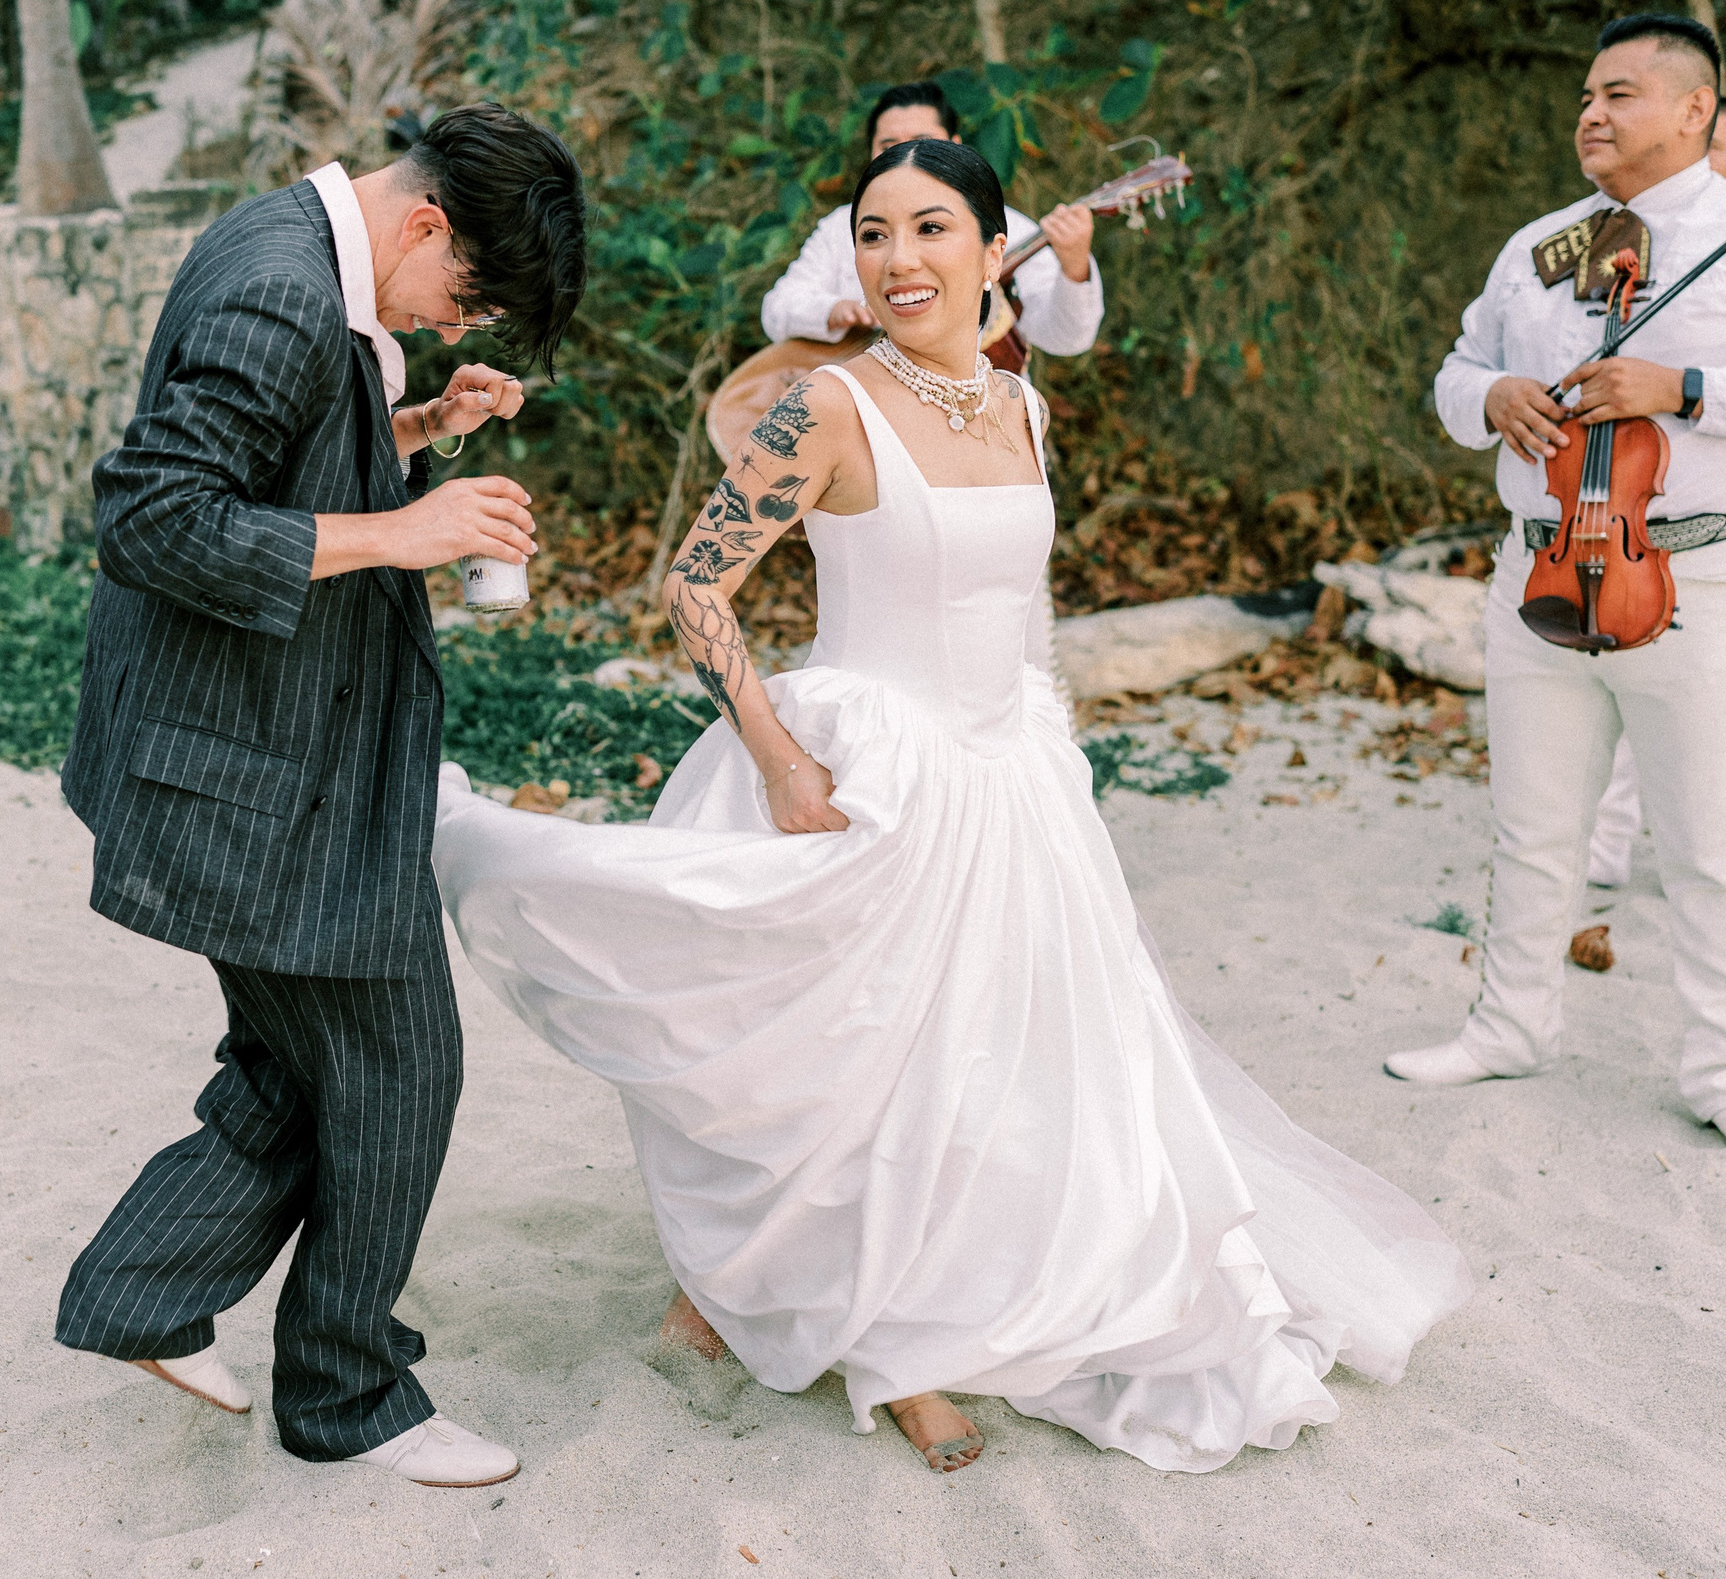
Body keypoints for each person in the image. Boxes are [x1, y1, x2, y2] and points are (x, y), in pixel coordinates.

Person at [433, 137, 1473, 1475]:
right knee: (869, 1062)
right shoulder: (825, 405)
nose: (899, 257)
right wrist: (776, 753)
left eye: (933, 229)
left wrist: (1044, 741)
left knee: (1006, 1065)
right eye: (874, 233)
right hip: (870, 766)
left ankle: (905, 1302)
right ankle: (892, 1337)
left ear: (997, 252)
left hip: (1016, 770)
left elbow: (1013, 606)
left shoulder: (1021, 407)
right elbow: (698, 585)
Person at [54, 103, 585, 1488]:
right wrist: (409, 529)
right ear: (424, 224)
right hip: (251, 768)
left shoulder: (307, 258)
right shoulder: (286, 291)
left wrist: (413, 429)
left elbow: (270, 462)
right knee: (400, 1063)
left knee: (306, 1063)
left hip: (264, 756)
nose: (455, 319)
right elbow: (152, 517)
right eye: (463, 294)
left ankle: (141, 1293)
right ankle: (348, 1392)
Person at [1389, 13, 1726, 1125]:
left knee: (1705, 845)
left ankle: (1716, 1073)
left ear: (1694, 109)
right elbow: (1455, 371)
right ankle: (1509, 1029)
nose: (1590, 112)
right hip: (1535, 579)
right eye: (1584, 94)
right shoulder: (1540, 246)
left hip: (1691, 580)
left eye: (1619, 93)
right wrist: (1487, 401)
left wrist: (1680, 392)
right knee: (1532, 829)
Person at [759, 80, 1103, 363]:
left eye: (924, 143)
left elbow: (1067, 339)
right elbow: (777, 309)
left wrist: (1074, 267)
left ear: (956, 146)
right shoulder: (840, 226)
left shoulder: (1009, 228)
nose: (907, 155)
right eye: (889, 145)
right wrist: (833, 310)